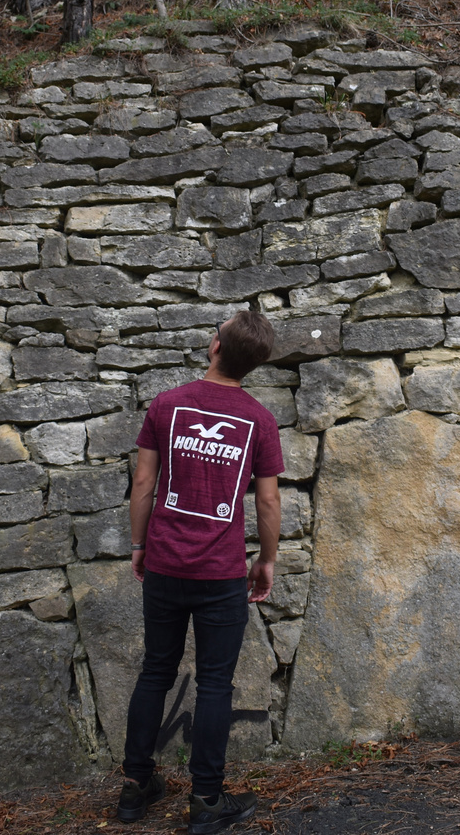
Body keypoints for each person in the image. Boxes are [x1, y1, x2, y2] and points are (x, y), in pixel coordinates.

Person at [117, 310, 283, 835]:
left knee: (155, 672)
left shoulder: (166, 405)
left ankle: (135, 787)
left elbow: (143, 483)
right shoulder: (258, 419)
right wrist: (268, 559)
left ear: (214, 346)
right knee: (215, 684)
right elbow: (269, 501)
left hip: (165, 563)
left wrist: (140, 544)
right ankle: (206, 803)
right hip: (220, 573)